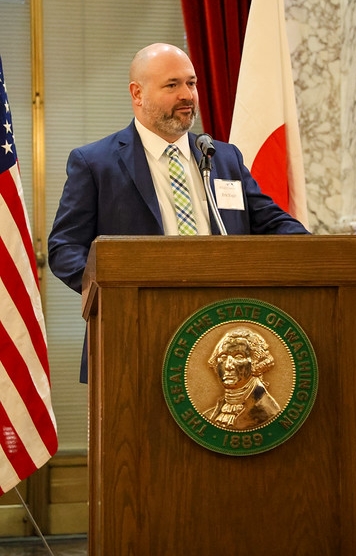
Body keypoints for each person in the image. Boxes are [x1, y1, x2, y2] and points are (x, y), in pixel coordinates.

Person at [48, 43, 309, 381]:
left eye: (192, 83)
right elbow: (64, 247)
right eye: (172, 85)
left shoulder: (221, 157)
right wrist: (109, 290)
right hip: (133, 333)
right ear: (137, 93)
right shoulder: (96, 163)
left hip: (223, 334)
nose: (187, 95)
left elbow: (272, 222)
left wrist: (319, 254)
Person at [203, 328, 281, 429]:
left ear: (256, 363)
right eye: (223, 357)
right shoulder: (208, 416)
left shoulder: (269, 413)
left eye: (239, 357)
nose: (228, 366)